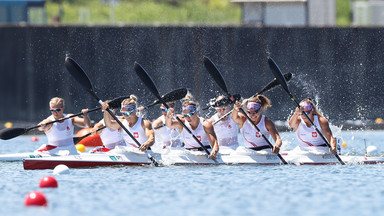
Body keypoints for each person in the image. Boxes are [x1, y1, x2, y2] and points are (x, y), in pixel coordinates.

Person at [165, 94, 219, 159]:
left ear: (196, 112)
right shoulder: (183, 123)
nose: (187, 118)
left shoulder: (206, 124)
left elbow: (215, 144)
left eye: (190, 114)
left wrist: (214, 152)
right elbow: (169, 125)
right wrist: (168, 117)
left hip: (204, 153)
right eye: (185, 115)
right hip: (189, 154)